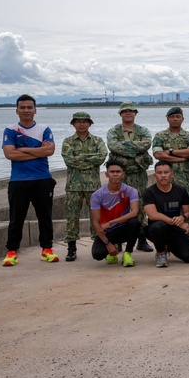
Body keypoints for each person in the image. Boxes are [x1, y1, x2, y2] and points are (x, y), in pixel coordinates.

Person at [1, 94, 58, 266]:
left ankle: (47, 249)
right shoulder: (10, 129)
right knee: (16, 218)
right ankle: (12, 251)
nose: (26, 110)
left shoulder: (44, 129)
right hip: (19, 181)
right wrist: (35, 151)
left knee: (45, 216)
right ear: (17, 110)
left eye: (29, 107)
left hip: (42, 179)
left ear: (35, 110)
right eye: (23, 107)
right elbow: (9, 154)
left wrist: (22, 150)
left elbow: (49, 151)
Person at [106, 101, 153, 252]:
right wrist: (134, 149)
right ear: (120, 113)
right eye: (125, 111)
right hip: (120, 175)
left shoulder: (143, 131)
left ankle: (141, 239)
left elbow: (146, 145)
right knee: (118, 204)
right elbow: (113, 146)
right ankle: (118, 239)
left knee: (138, 205)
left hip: (138, 173)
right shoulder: (113, 131)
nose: (128, 113)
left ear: (135, 113)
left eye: (131, 111)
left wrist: (125, 146)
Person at [61, 111, 107, 262]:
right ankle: (71, 248)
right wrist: (89, 159)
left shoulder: (97, 141)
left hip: (93, 186)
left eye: (84, 121)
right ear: (73, 124)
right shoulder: (68, 141)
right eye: (78, 121)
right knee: (72, 218)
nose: (81, 124)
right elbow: (69, 160)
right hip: (73, 186)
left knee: (97, 218)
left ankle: (99, 244)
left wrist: (79, 157)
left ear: (90, 123)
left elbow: (101, 157)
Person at [142, 161, 189, 267]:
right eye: (159, 173)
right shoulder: (149, 192)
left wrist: (183, 218)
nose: (163, 176)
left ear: (172, 174)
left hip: (174, 229)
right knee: (159, 226)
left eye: (166, 172)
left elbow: (188, 212)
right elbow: (153, 215)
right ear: (155, 175)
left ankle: (168, 245)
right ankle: (161, 252)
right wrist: (177, 223)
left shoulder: (181, 190)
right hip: (155, 228)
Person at [89, 160, 141, 267]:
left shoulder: (130, 191)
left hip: (123, 229)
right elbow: (95, 222)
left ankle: (127, 253)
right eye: (112, 172)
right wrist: (107, 243)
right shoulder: (97, 195)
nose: (115, 174)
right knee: (97, 254)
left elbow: (134, 212)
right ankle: (113, 248)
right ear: (107, 174)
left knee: (135, 222)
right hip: (107, 232)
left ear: (123, 174)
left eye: (118, 171)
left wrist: (111, 222)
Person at [152, 107, 189, 194]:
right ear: (168, 119)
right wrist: (180, 159)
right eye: (172, 117)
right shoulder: (160, 136)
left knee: (187, 205)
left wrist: (171, 152)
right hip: (165, 179)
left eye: (178, 117)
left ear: (182, 119)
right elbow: (158, 154)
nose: (175, 119)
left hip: (185, 179)